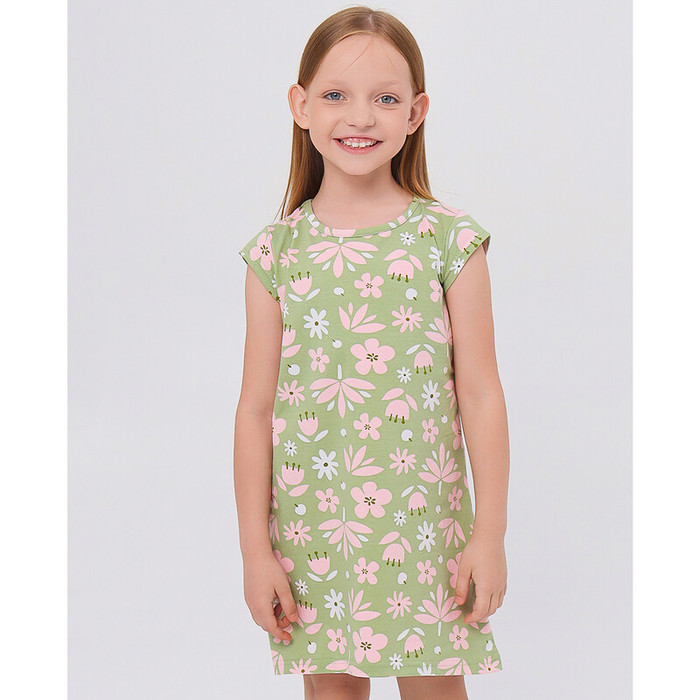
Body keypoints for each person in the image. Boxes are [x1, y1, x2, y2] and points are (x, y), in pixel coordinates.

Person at [233, 6, 509, 699]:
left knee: (434, 688)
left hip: (425, 528)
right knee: (331, 688)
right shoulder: (276, 254)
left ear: (415, 113)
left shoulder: (450, 242)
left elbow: (481, 393)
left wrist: (490, 535)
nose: (360, 117)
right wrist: (255, 551)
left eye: (385, 99)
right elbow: (255, 411)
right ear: (300, 105)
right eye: (336, 94)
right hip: (315, 529)